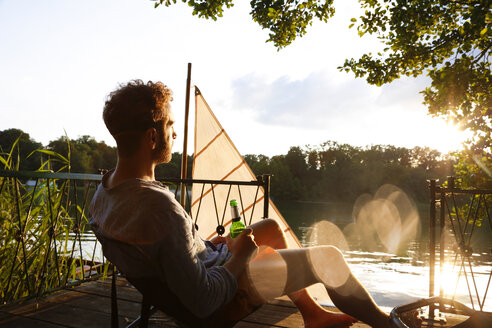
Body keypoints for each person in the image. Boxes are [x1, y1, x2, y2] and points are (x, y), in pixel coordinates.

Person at [89, 80, 393, 328]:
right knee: (329, 259)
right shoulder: (158, 207)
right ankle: (386, 323)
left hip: (197, 274)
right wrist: (241, 254)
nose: (175, 133)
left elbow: (163, 253)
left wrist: (208, 245)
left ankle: (311, 313)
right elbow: (204, 301)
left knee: (270, 228)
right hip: (215, 304)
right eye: (170, 125)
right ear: (153, 136)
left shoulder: (105, 193)